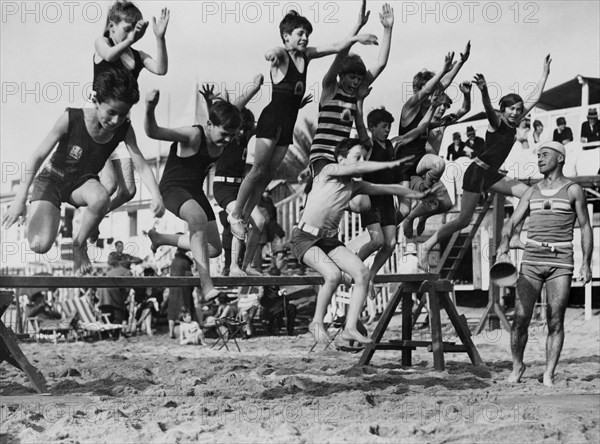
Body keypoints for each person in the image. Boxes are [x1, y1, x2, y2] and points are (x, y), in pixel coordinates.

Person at [227, 7, 379, 239]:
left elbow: (337, 48)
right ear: (287, 36)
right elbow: (275, 52)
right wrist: (272, 54)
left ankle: (245, 216)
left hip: (287, 124)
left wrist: (357, 30)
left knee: (268, 174)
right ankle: (235, 214)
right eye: (300, 33)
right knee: (258, 169)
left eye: (307, 34)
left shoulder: (307, 55)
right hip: (271, 121)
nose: (305, 38)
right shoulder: (282, 54)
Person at [1, 69, 165, 274]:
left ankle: (80, 245)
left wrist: (156, 195)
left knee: (101, 196)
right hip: (52, 180)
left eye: (123, 114)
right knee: (39, 246)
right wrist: (19, 199)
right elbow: (36, 157)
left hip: (81, 184)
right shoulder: (72, 118)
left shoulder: (124, 129)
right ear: (96, 102)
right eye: (111, 112)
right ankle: (48, 210)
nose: (115, 121)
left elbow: (140, 164)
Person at [292, 136, 430, 347]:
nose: (362, 162)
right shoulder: (328, 172)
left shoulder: (356, 186)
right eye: (357, 157)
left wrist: (419, 194)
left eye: (365, 158)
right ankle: (316, 322)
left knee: (362, 274)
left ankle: (350, 328)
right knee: (333, 275)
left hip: (329, 240)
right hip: (305, 237)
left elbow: (390, 189)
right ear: (341, 160)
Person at [419, 55, 552, 271]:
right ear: (504, 110)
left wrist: (545, 73)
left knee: (529, 194)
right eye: (512, 109)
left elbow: (534, 99)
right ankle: (427, 245)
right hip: (476, 172)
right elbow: (489, 107)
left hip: (492, 174)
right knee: (463, 220)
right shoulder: (497, 121)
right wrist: (484, 90)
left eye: (518, 110)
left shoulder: (514, 122)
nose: (516, 113)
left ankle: (514, 237)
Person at [497, 141, 592, 387]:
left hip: (561, 262)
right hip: (531, 261)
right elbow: (512, 221)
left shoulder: (573, 190)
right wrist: (504, 244)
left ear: (560, 158)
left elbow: (585, 227)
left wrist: (587, 264)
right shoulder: (531, 191)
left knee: (555, 319)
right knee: (520, 318)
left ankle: (548, 373)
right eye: (538, 155)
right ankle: (518, 366)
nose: (539, 159)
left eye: (545, 155)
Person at [144, 90, 241, 302]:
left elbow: (235, 111)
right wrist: (150, 108)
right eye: (224, 134)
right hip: (172, 189)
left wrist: (253, 90)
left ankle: (161, 238)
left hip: (195, 192)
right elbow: (153, 131)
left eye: (232, 136)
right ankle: (206, 285)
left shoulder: (222, 135)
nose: (227, 140)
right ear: (209, 125)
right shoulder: (193, 135)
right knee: (197, 218)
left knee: (214, 248)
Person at [94, 2, 169, 222]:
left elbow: (161, 69)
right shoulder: (103, 43)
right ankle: (87, 214)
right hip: (99, 118)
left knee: (128, 191)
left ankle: (96, 216)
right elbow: (108, 56)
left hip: (120, 122)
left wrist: (159, 38)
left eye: (135, 30)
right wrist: (129, 39)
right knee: (108, 185)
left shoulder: (137, 56)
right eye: (127, 29)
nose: (131, 34)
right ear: (111, 26)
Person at [355, 104, 435, 295]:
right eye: (383, 126)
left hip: (387, 200)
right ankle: (356, 269)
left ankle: (371, 275)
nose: (387, 129)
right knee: (376, 242)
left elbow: (418, 130)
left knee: (390, 244)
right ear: (372, 127)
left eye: (389, 126)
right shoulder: (369, 145)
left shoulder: (393, 144)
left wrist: (432, 107)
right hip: (371, 199)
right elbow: (359, 126)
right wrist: (359, 101)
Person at [395, 46, 470, 238]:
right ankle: (396, 222)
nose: (433, 95)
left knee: (445, 204)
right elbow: (432, 87)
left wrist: (460, 63)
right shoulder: (411, 107)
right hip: (407, 166)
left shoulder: (433, 115)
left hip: (424, 167)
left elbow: (444, 89)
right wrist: (444, 69)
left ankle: (418, 215)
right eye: (429, 90)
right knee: (403, 211)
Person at [97, 253, 132, 331]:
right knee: (116, 328)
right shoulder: (126, 272)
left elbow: (97, 293)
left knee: (108, 329)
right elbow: (126, 291)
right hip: (116, 306)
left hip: (103, 305)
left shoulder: (105, 274)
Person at [166, 247, 195, 339]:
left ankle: (171, 332)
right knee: (185, 309)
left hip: (173, 289)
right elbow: (189, 276)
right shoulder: (185, 262)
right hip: (184, 289)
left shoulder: (173, 261)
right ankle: (187, 333)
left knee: (172, 310)